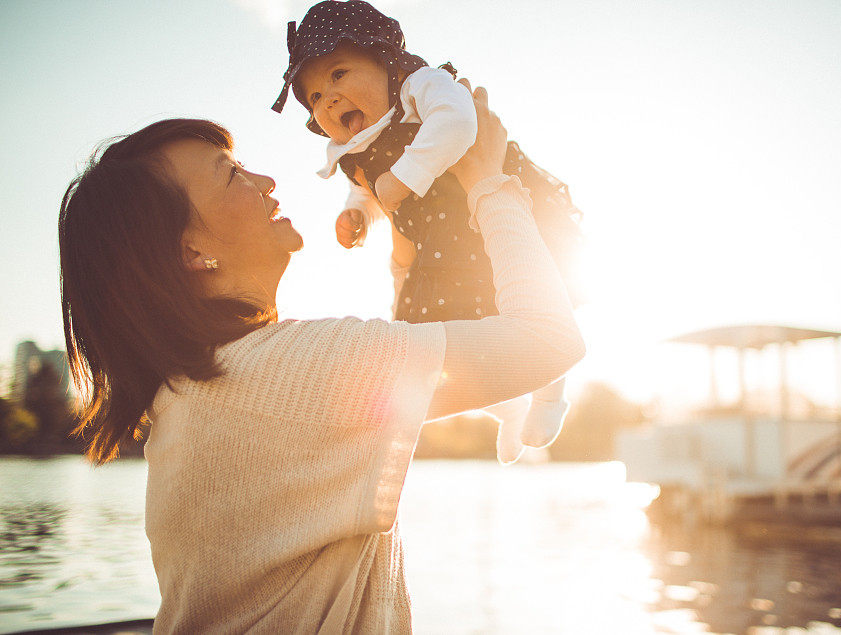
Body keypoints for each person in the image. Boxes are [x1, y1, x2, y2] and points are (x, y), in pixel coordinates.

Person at [58, 82, 584, 632]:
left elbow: (406, 365)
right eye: (231, 174)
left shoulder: (200, 387)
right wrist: (488, 181)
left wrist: (405, 256)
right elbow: (549, 340)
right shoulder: (287, 371)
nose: (265, 181)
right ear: (193, 251)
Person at [270, 0, 585, 463]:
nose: (329, 99)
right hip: (441, 245)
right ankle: (508, 407)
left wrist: (402, 178)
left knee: (531, 295)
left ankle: (549, 395)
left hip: (492, 207)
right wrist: (359, 212)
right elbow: (371, 188)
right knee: (433, 347)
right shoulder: (356, 145)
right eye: (314, 96)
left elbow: (458, 122)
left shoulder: (420, 85)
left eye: (338, 74)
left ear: (383, 59)